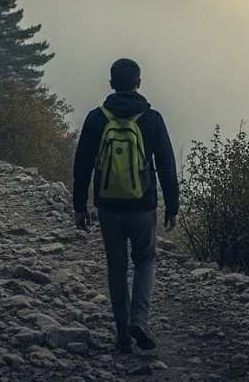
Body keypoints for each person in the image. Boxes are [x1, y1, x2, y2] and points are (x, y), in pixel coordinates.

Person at [73, 58, 179, 354]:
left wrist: (79, 205)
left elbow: (81, 163)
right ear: (139, 83)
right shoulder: (152, 118)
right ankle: (140, 320)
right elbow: (167, 165)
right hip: (143, 206)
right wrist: (172, 205)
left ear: (111, 84)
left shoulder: (97, 118)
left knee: (116, 267)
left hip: (108, 206)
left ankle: (122, 333)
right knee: (145, 260)